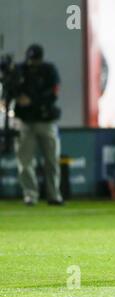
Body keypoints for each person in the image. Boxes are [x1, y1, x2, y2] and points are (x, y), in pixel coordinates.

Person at [14, 44, 63, 206]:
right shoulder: (19, 70)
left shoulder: (49, 70)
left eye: (35, 60)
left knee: (52, 161)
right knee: (25, 162)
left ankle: (54, 194)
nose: (32, 64)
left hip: (46, 121)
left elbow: (53, 93)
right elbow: (10, 90)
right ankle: (30, 195)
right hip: (25, 121)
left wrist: (32, 101)